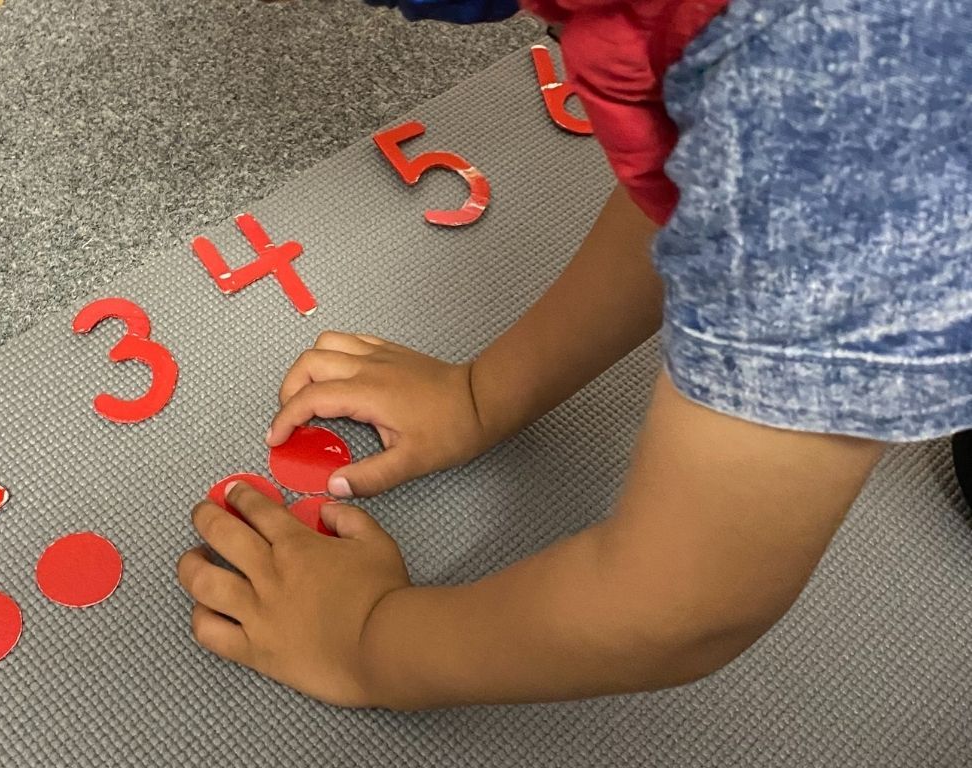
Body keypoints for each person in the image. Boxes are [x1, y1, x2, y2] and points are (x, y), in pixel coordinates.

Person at [176, 0, 971, 708]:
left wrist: (369, 644)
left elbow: (681, 609)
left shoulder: (831, 118)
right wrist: (482, 395)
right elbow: (698, 184)